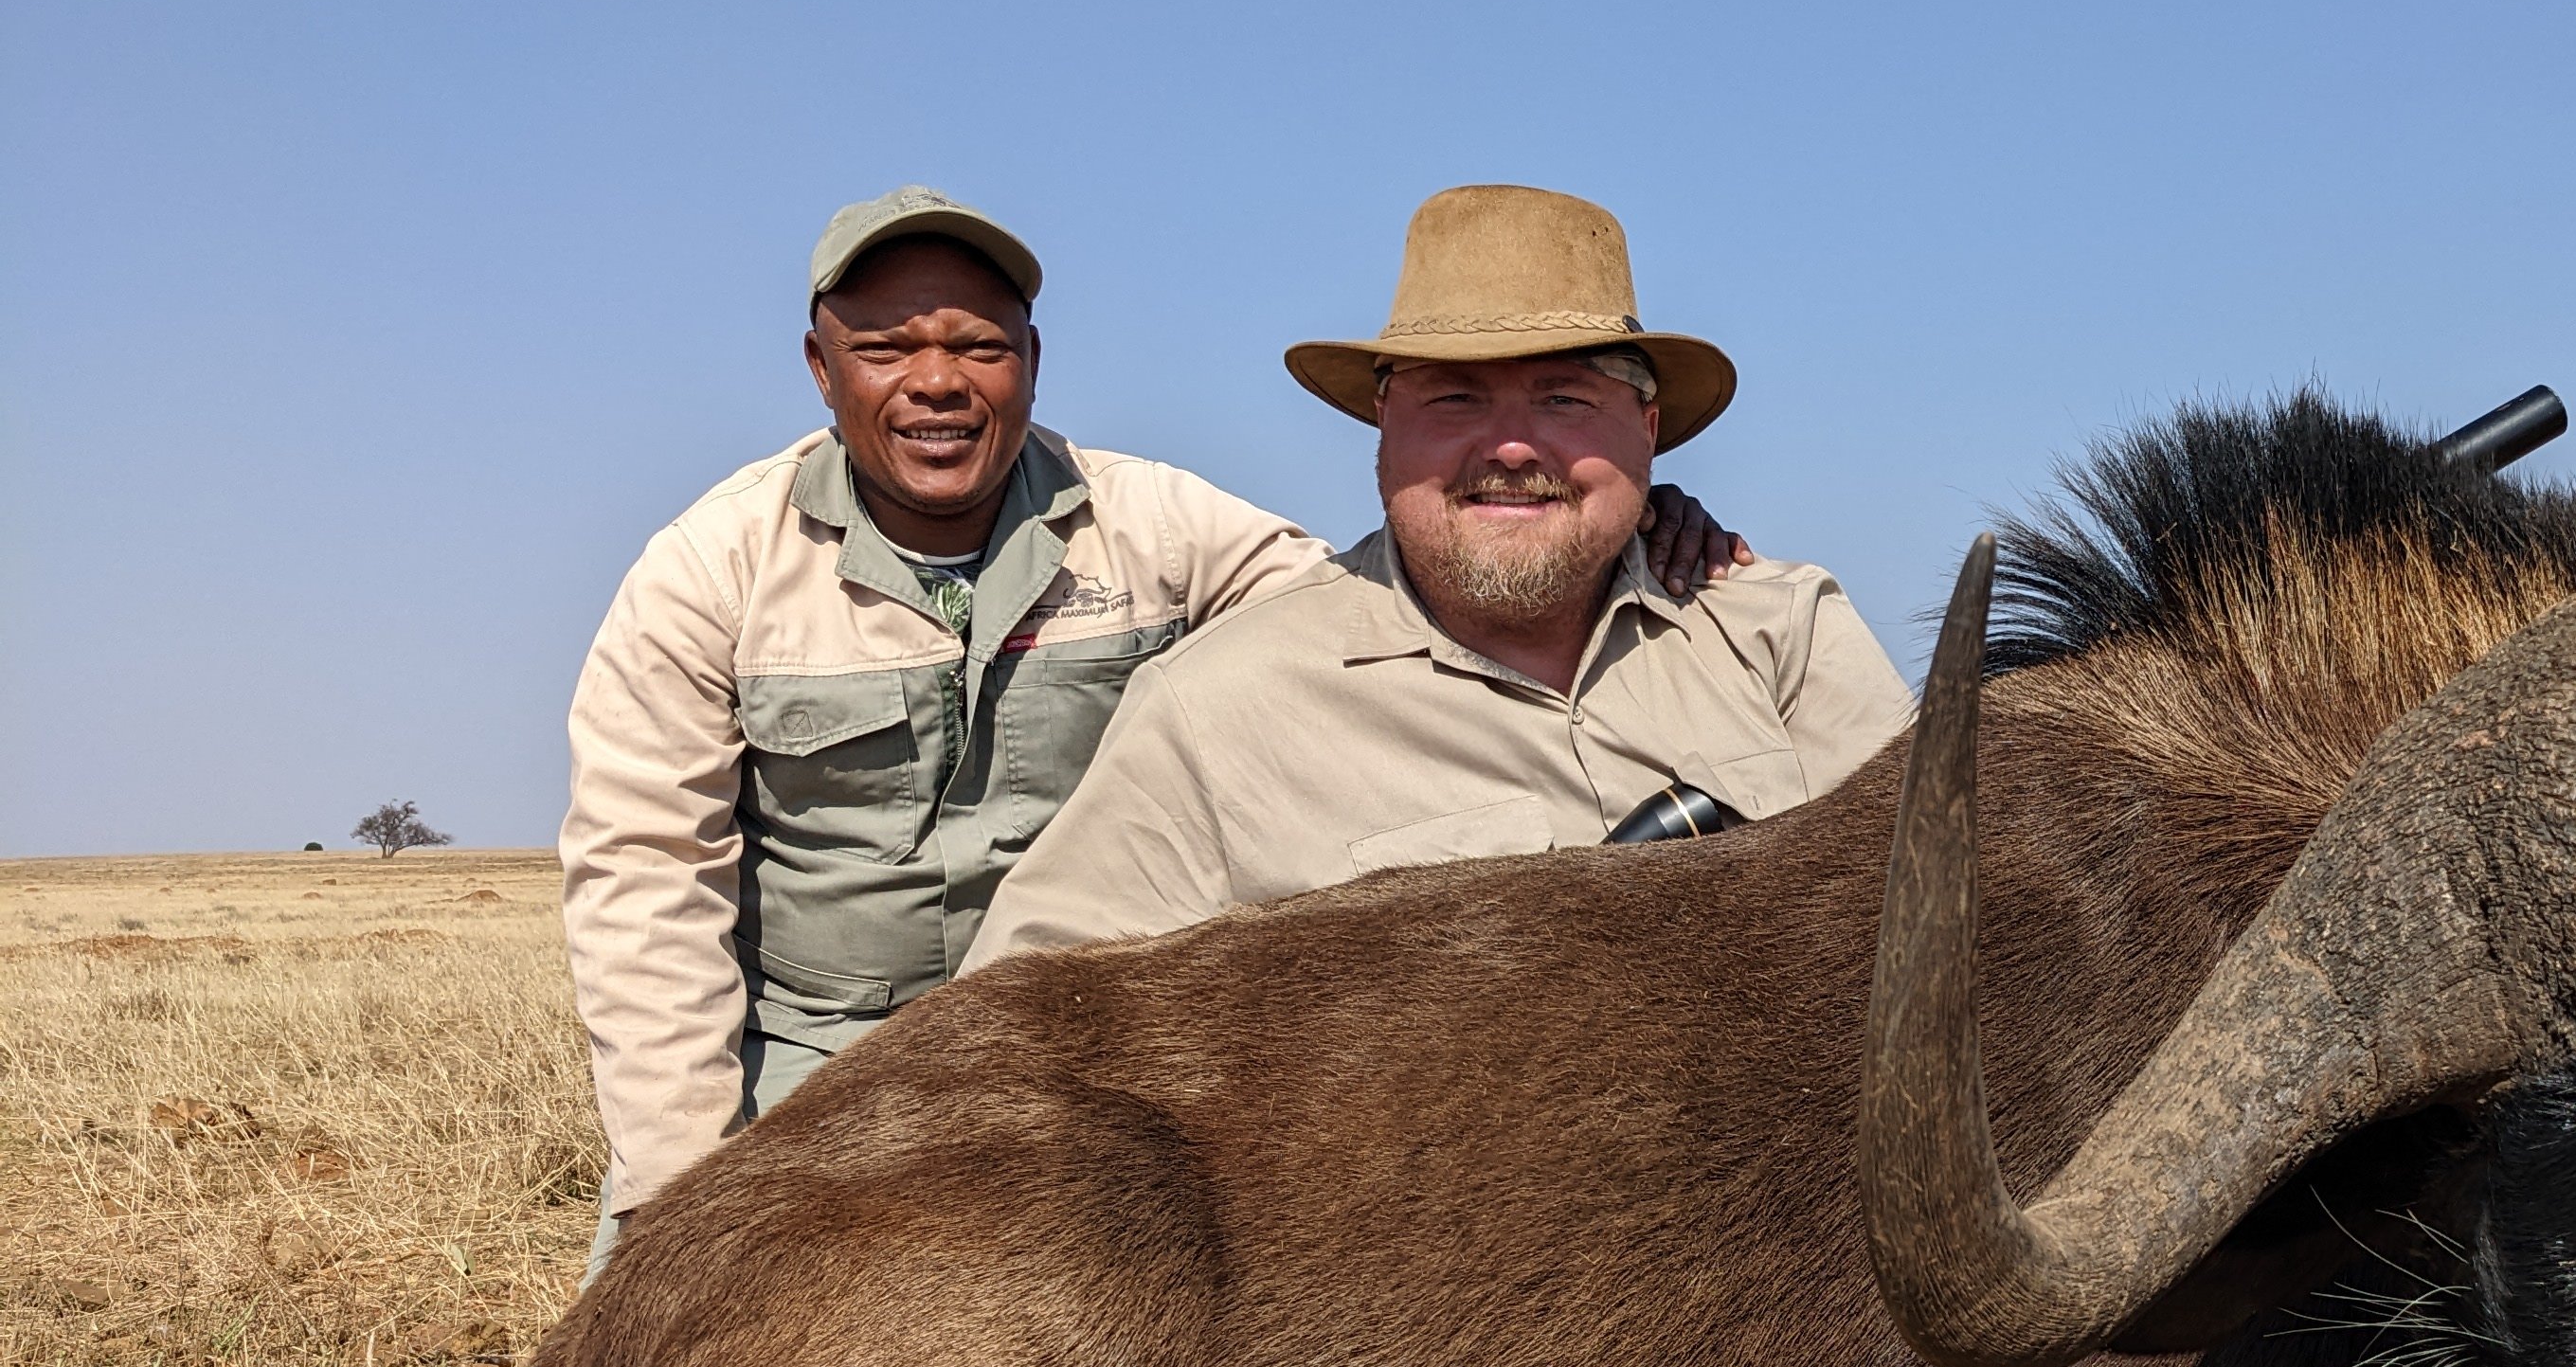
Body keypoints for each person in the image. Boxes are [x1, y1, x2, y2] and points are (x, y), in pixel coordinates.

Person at [562, 185, 1756, 1256]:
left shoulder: (1158, 526)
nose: (937, 382)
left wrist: (1614, 521)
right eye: (886, 349)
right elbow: (646, 875)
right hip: (811, 1058)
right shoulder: (705, 572)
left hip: (1090, 1053)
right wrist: (682, 1193)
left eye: (978, 346)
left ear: (1031, 361)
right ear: (822, 373)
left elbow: (1383, 614)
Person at [974, 185, 1909, 957]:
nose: (1509, 446)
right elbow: (1009, 1047)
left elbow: (1957, 933)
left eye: (1565, 397)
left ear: (1649, 431)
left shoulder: (1783, 633)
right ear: (1384, 432)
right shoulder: (1213, 711)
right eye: (1455, 397)